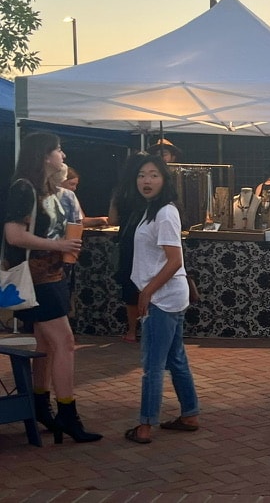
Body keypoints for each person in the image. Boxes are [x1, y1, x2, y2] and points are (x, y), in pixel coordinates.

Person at [2, 132, 101, 443]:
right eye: (58, 150)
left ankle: (41, 404)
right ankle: (67, 413)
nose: (63, 156)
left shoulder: (48, 190)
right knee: (65, 343)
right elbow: (14, 235)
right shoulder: (24, 188)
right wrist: (57, 244)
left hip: (52, 277)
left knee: (47, 343)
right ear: (44, 155)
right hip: (36, 278)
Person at [125, 154, 200, 444]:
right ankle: (190, 412)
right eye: (142, 174)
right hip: (166, 295)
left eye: (154, 174)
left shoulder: (166, 213)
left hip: (162, 297)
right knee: (174, 357)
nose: (147, 180)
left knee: (152, 365)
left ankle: (145, 425)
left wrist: (146, 292)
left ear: (165, 179)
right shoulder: (150, 210)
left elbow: (173, 261)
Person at [109, 152, 152, 344]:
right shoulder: (151, 189)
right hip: (149, 242)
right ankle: (150, 329)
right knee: (150, 284)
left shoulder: (121, 190)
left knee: (130, 289)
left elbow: (113, 220)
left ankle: (132, 331)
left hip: (128, 243)